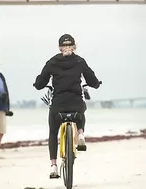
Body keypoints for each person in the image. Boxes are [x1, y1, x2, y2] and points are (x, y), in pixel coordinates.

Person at [33, 34, 101, 177]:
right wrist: (96, 84)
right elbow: (92, 79)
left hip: (58, 105)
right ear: (74, 47)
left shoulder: (52, 62)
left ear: (60, 48)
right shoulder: (79, 61)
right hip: (75, 104)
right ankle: (81, 133)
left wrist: (38, 83)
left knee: (53, 132)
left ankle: (53, 166)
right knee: (82, 109)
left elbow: (40, 84)